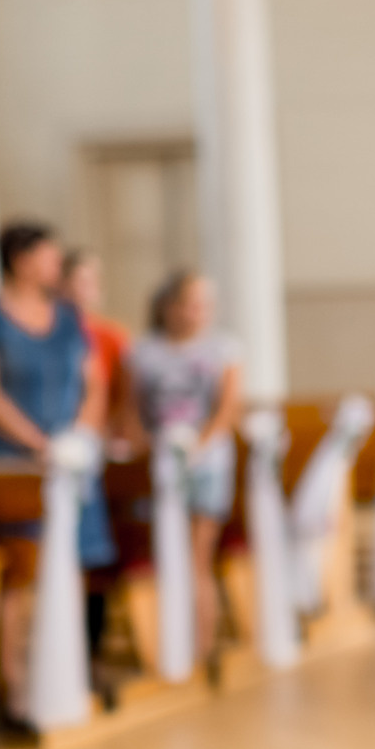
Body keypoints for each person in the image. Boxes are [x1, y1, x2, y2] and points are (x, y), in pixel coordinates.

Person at [0, 223, 114, 687]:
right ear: (20, 259)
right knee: (22, 573)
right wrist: (39, 446)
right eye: (48, 256)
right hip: (12, 462)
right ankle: (18, 683)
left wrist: (78, 437)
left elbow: (94, 384)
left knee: (71, 568)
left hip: (68, 460)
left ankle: (67, 673)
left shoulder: (67, 317)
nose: (56, 265)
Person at [126, 270, 245, 670]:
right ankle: (168, 645)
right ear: (170, 307)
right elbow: (131, 409)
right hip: (160, 461)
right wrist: (151, 445)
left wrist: (198, 447)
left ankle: (200, 648)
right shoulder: (144, 352)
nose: (200, 313)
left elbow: (228, 407)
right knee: (166, 550)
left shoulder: (223, 349)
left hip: (207, 461)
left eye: (205, 305)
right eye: (192, 303)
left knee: (197, 555)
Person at [63, 248, 131, 433]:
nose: (90, 288)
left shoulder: (112, 336)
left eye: (94, 281)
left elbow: (125, 394)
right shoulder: (46, 334)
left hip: (99, 431)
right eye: (82, 281)